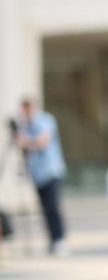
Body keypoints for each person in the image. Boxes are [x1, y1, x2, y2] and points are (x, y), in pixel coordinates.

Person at [15, 97, 68, 255]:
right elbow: (22, 145)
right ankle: (52, 240)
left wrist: (25, 141)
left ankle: (60, 239)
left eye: (26, 109)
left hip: (51, 171)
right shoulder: (25, 125)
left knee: (53, 207)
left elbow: (42, 141)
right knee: (44, 209)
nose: (25, 113)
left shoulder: (45, 120)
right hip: (36, 173)